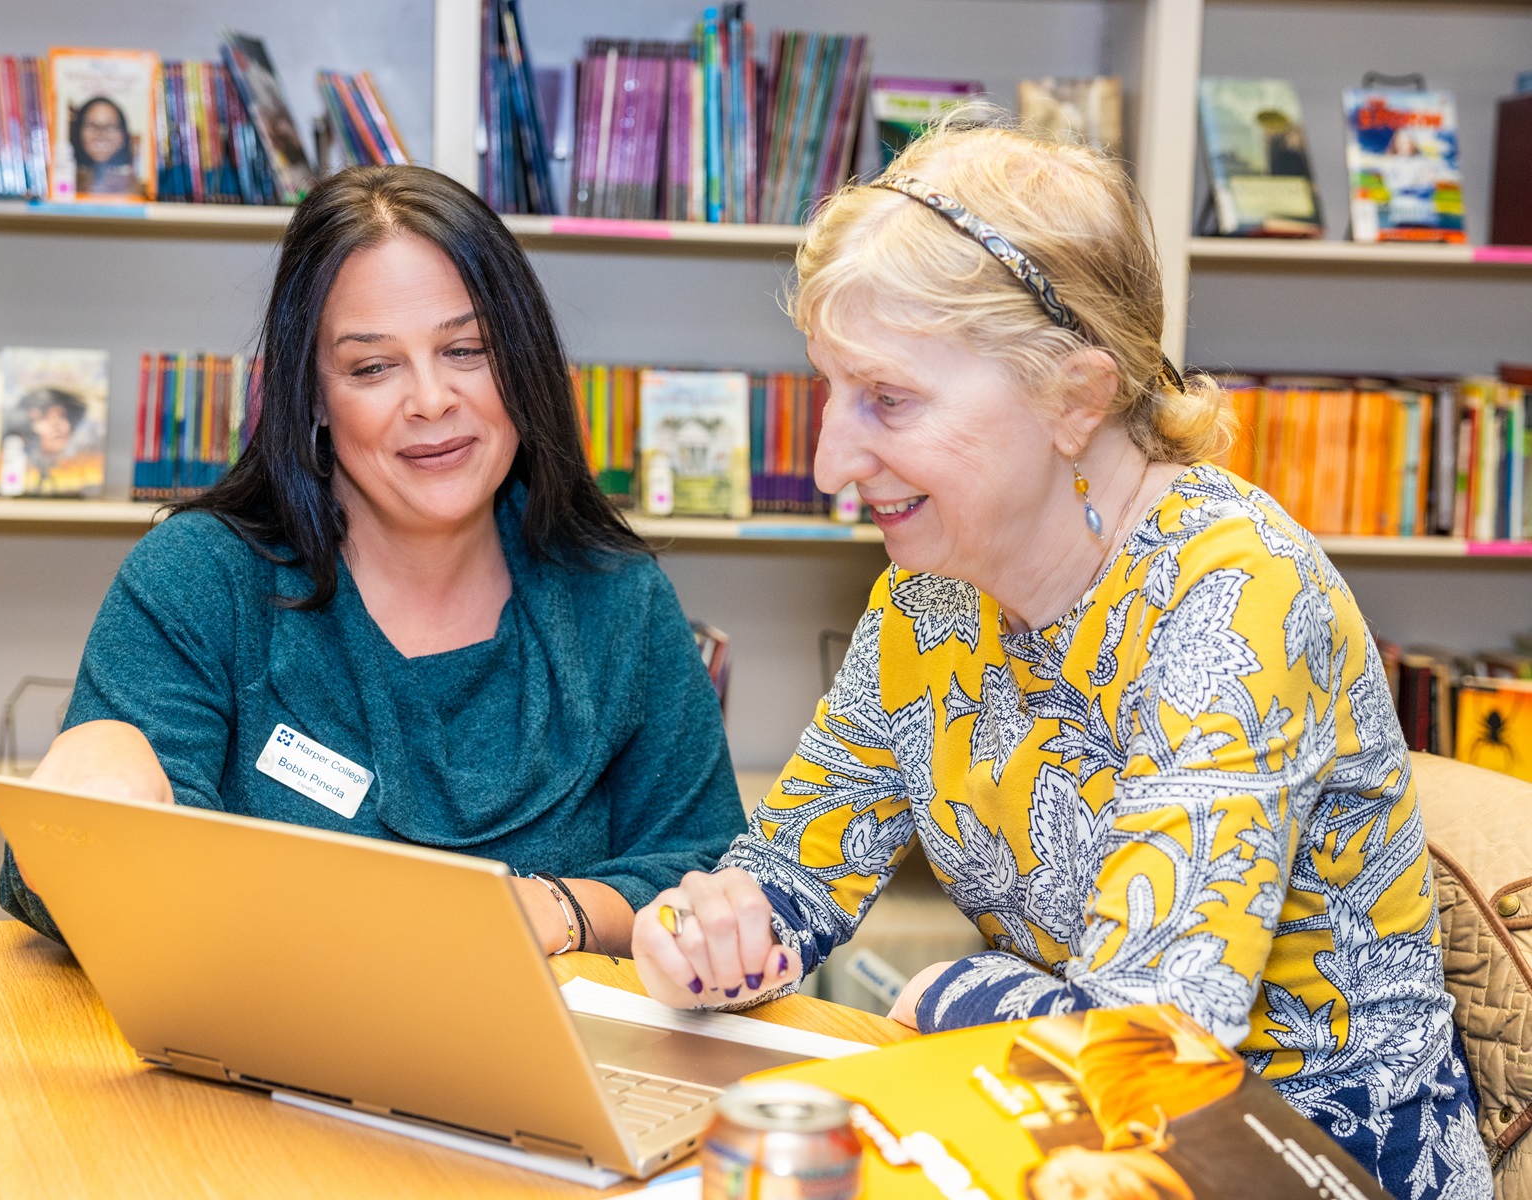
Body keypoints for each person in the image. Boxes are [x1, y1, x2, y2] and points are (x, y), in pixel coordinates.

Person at [630, 114, 1491, 1199]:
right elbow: (799, 873)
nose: (830, 460)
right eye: (827, 390)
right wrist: (709, 929)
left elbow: (1147, 1050)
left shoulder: (1240, 603)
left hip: (1304, 1155)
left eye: (886, 397)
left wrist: (962, 991)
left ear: (1075, 397)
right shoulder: (930, 590)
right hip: (1051, 1132)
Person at [0, 164, 745, 959]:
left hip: (554, 1073)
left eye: (466, 349)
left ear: (521, 364)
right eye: (372, 367)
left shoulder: (619, 601)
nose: (430, 400)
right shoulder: (200, 579)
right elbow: (78, 890)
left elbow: (708, 876)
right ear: (313, 396)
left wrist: (556, 908)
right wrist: (95, 792)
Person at [70, 96, 137, 196]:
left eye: (110, 126)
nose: (100, 134)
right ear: (79, 132)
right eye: (92, 125)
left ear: (123, 135)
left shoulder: (136, 189)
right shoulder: (66, 183)